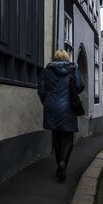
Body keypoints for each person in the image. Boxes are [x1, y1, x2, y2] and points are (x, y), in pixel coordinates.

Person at [37, 50, 84, 182]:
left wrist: (46, 101)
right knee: (68, 139)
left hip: (51, 107)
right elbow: (80, 86)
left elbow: (41, 89)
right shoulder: (72, 69)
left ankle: (59, 164)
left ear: (55, 58)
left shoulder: (47, 71)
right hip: (68, 107)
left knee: (56, 137)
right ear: (66, 58)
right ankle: (63, 163)